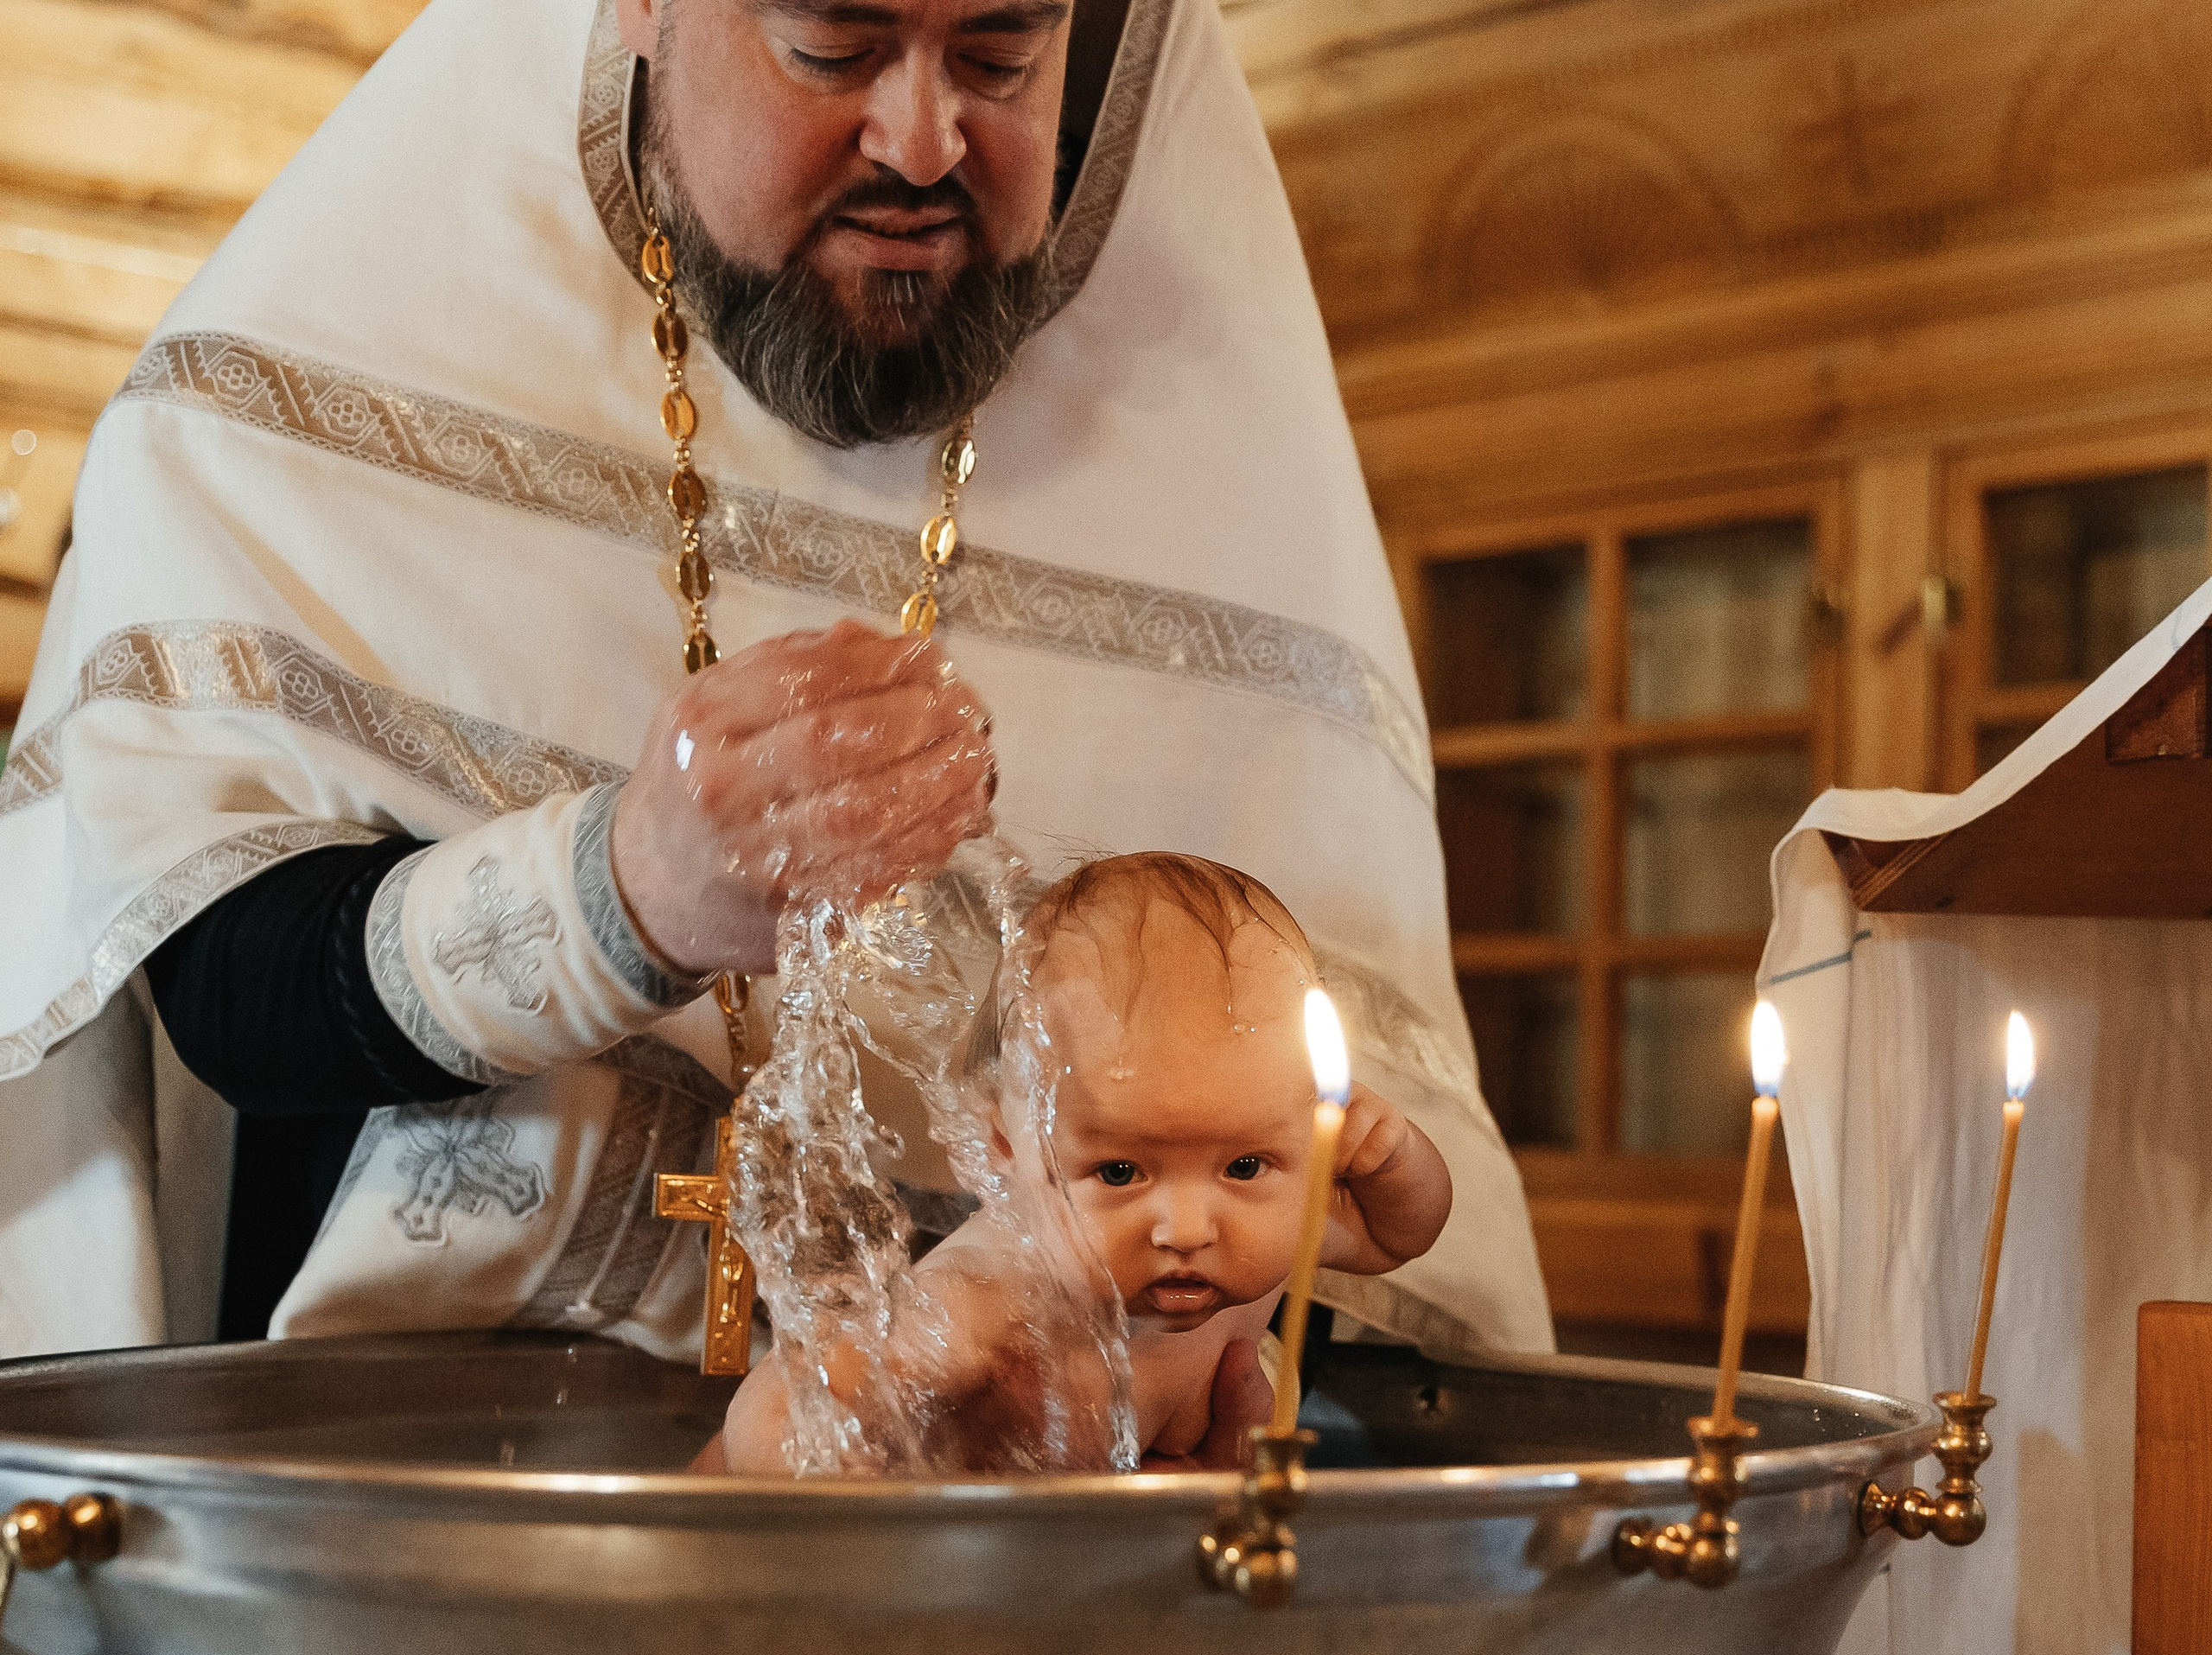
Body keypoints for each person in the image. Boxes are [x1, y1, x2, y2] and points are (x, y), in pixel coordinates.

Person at [0, 0, 1548, 1394]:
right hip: (416, 1477)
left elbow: (1339, 1173)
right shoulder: (317, 362)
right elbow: (208, 977)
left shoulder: (1214, 442)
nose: (923, 140)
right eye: (835, 49)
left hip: (984, 1523)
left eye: (1003, 56)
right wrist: (627, 895)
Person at [718, 853, 1452, 1474]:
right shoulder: (988, 1302)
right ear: (1007, 1149)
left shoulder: (1265, 1225)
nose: (1189, 1229)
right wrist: (899, 1505)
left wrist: (1395, 1157)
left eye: (1245, 1164)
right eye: (1121, 1174)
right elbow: (779, 1413)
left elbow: (1394, 1237)